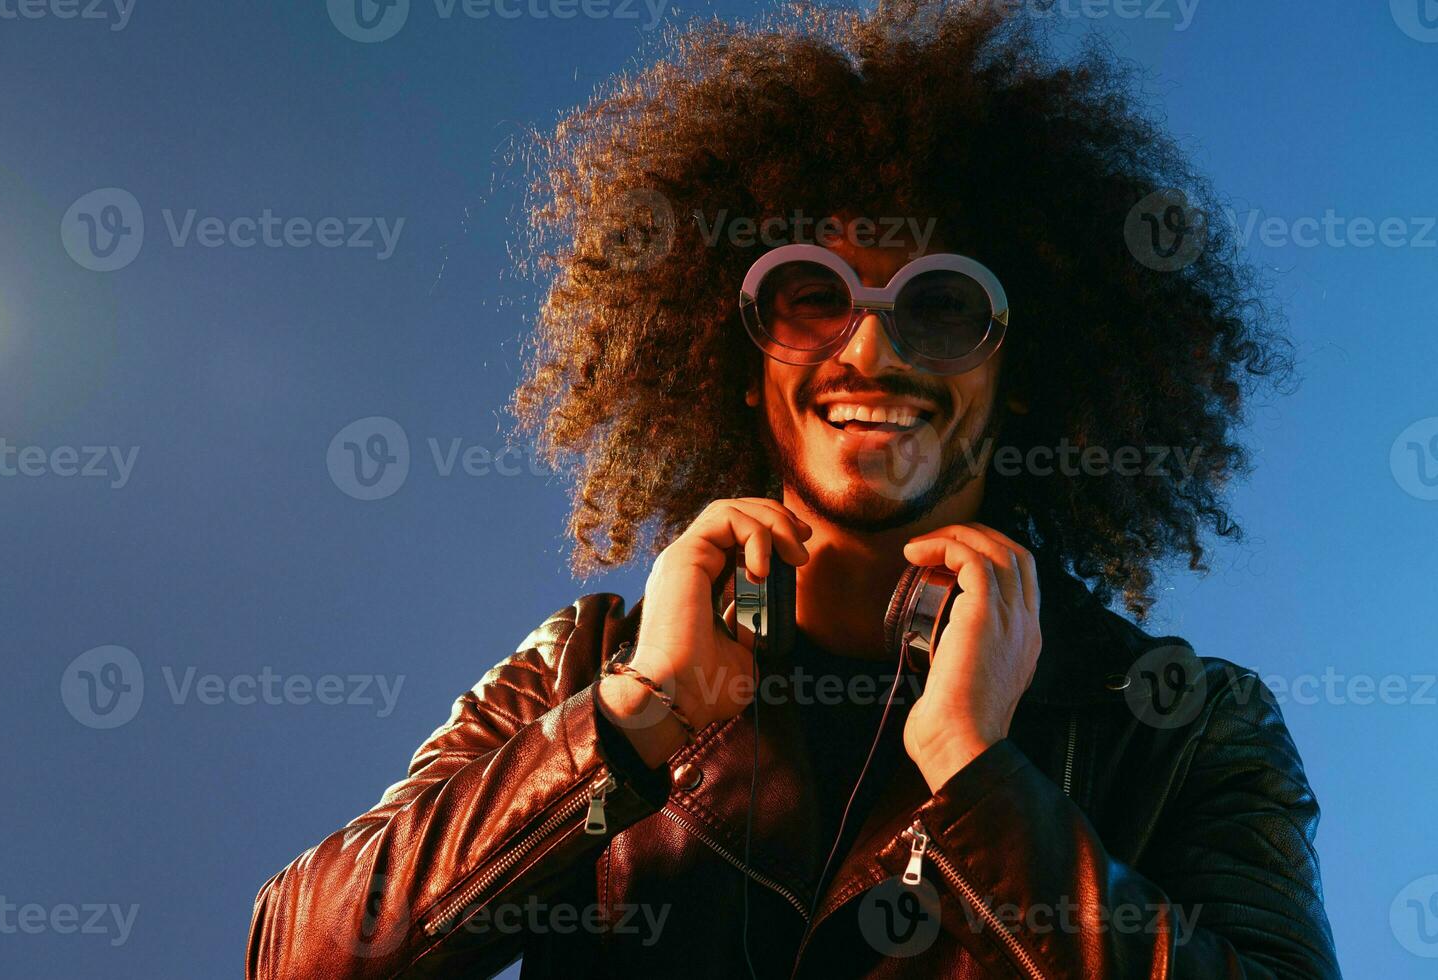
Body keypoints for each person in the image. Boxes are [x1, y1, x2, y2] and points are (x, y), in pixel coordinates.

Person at [247, 2, 1341, 976]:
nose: (870, 347)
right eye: (811, 293)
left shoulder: (1179, 724)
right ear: (737, 362)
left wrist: (981, 775)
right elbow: (298, 957)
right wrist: (637, 717)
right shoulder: (581, 668)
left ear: (1025, 374)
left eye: (943, 305)